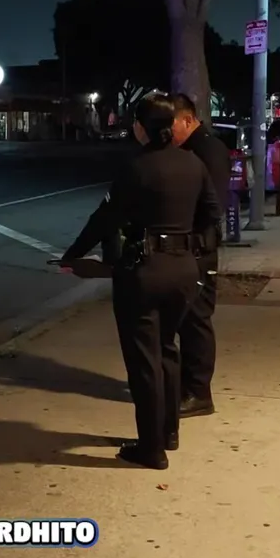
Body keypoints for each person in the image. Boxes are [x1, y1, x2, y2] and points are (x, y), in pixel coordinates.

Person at [58, 93, 223, 470]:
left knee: (144, 359)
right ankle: (169, 432)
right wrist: (192, 253)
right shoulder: (193, 163)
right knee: (167, 348)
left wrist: (73, 254)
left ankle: (151, 447)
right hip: (184, 270)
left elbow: (105, 219)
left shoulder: (136, 167)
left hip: (145, 271)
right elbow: (213, 217)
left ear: (141, 127)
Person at [169, 93, 230, 420]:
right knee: (186, 320)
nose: (169, 132)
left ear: (188, 120)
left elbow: (211, 205)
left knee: (196, 321)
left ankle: (198, 393)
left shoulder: (208, 150)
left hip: (199, 249)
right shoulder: (193, 149)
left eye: (172, 125)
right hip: (189, 248)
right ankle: (188, 386)